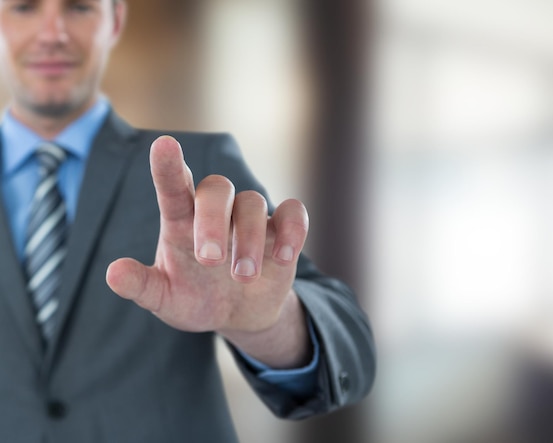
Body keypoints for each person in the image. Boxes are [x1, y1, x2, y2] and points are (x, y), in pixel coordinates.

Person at [0, 0, 376, 442]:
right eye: (23, 7)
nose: (53, 33)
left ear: (115, 21)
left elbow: (350, 347)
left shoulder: (195, 168)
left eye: (79, 7)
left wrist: (271, 325)